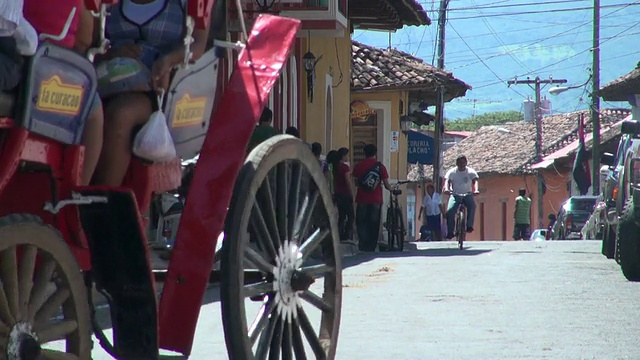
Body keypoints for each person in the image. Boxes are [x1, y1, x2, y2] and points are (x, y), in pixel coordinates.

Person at [92, 0, 210, 186]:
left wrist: (169, 61)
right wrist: (112, 53)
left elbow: (198, 44)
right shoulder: (107, 4)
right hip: (106, 81)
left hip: (158, 89)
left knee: (121, 114)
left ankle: (104, 198)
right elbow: (90, 44)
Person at [23, 0, 104, 185]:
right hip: (46, 65)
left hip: (18, 58)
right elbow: (84, 40)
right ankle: (79, 187)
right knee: (95, 113)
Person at [352, 144, 391, 252]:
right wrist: (392, 189)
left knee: (361, 222)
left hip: (362, 198)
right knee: (374, 223)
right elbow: (387, 185)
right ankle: (371, 246)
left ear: (364, 153)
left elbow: (355, 183)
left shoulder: (359, 166)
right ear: (375, 153)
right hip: (376, 199)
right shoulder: (380, 167)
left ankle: (363, 244)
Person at [444, 155, 479, 239]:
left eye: (463, 162)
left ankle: (469, 225)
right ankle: (450, 231)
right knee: (450, 211)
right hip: (455, 194)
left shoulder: (470, 172)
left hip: (467, 194)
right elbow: (447, 181)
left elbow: (475, 181)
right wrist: (446, 189)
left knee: (472, 206)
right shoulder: (452, 172)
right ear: (456, 163)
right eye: (460, 163)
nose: (462, 164)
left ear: (466, 163)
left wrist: (476, 190)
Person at [332, 147, 354, 242]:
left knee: (341, 216)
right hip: (345, 193)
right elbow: (348, 181)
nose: (348, 157)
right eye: (347, 155)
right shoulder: (345, 167)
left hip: (338, 193)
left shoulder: (335, 166)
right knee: (350, 216)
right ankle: (347, 235)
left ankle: (339, 234)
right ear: (343, 156)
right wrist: (352, 193)